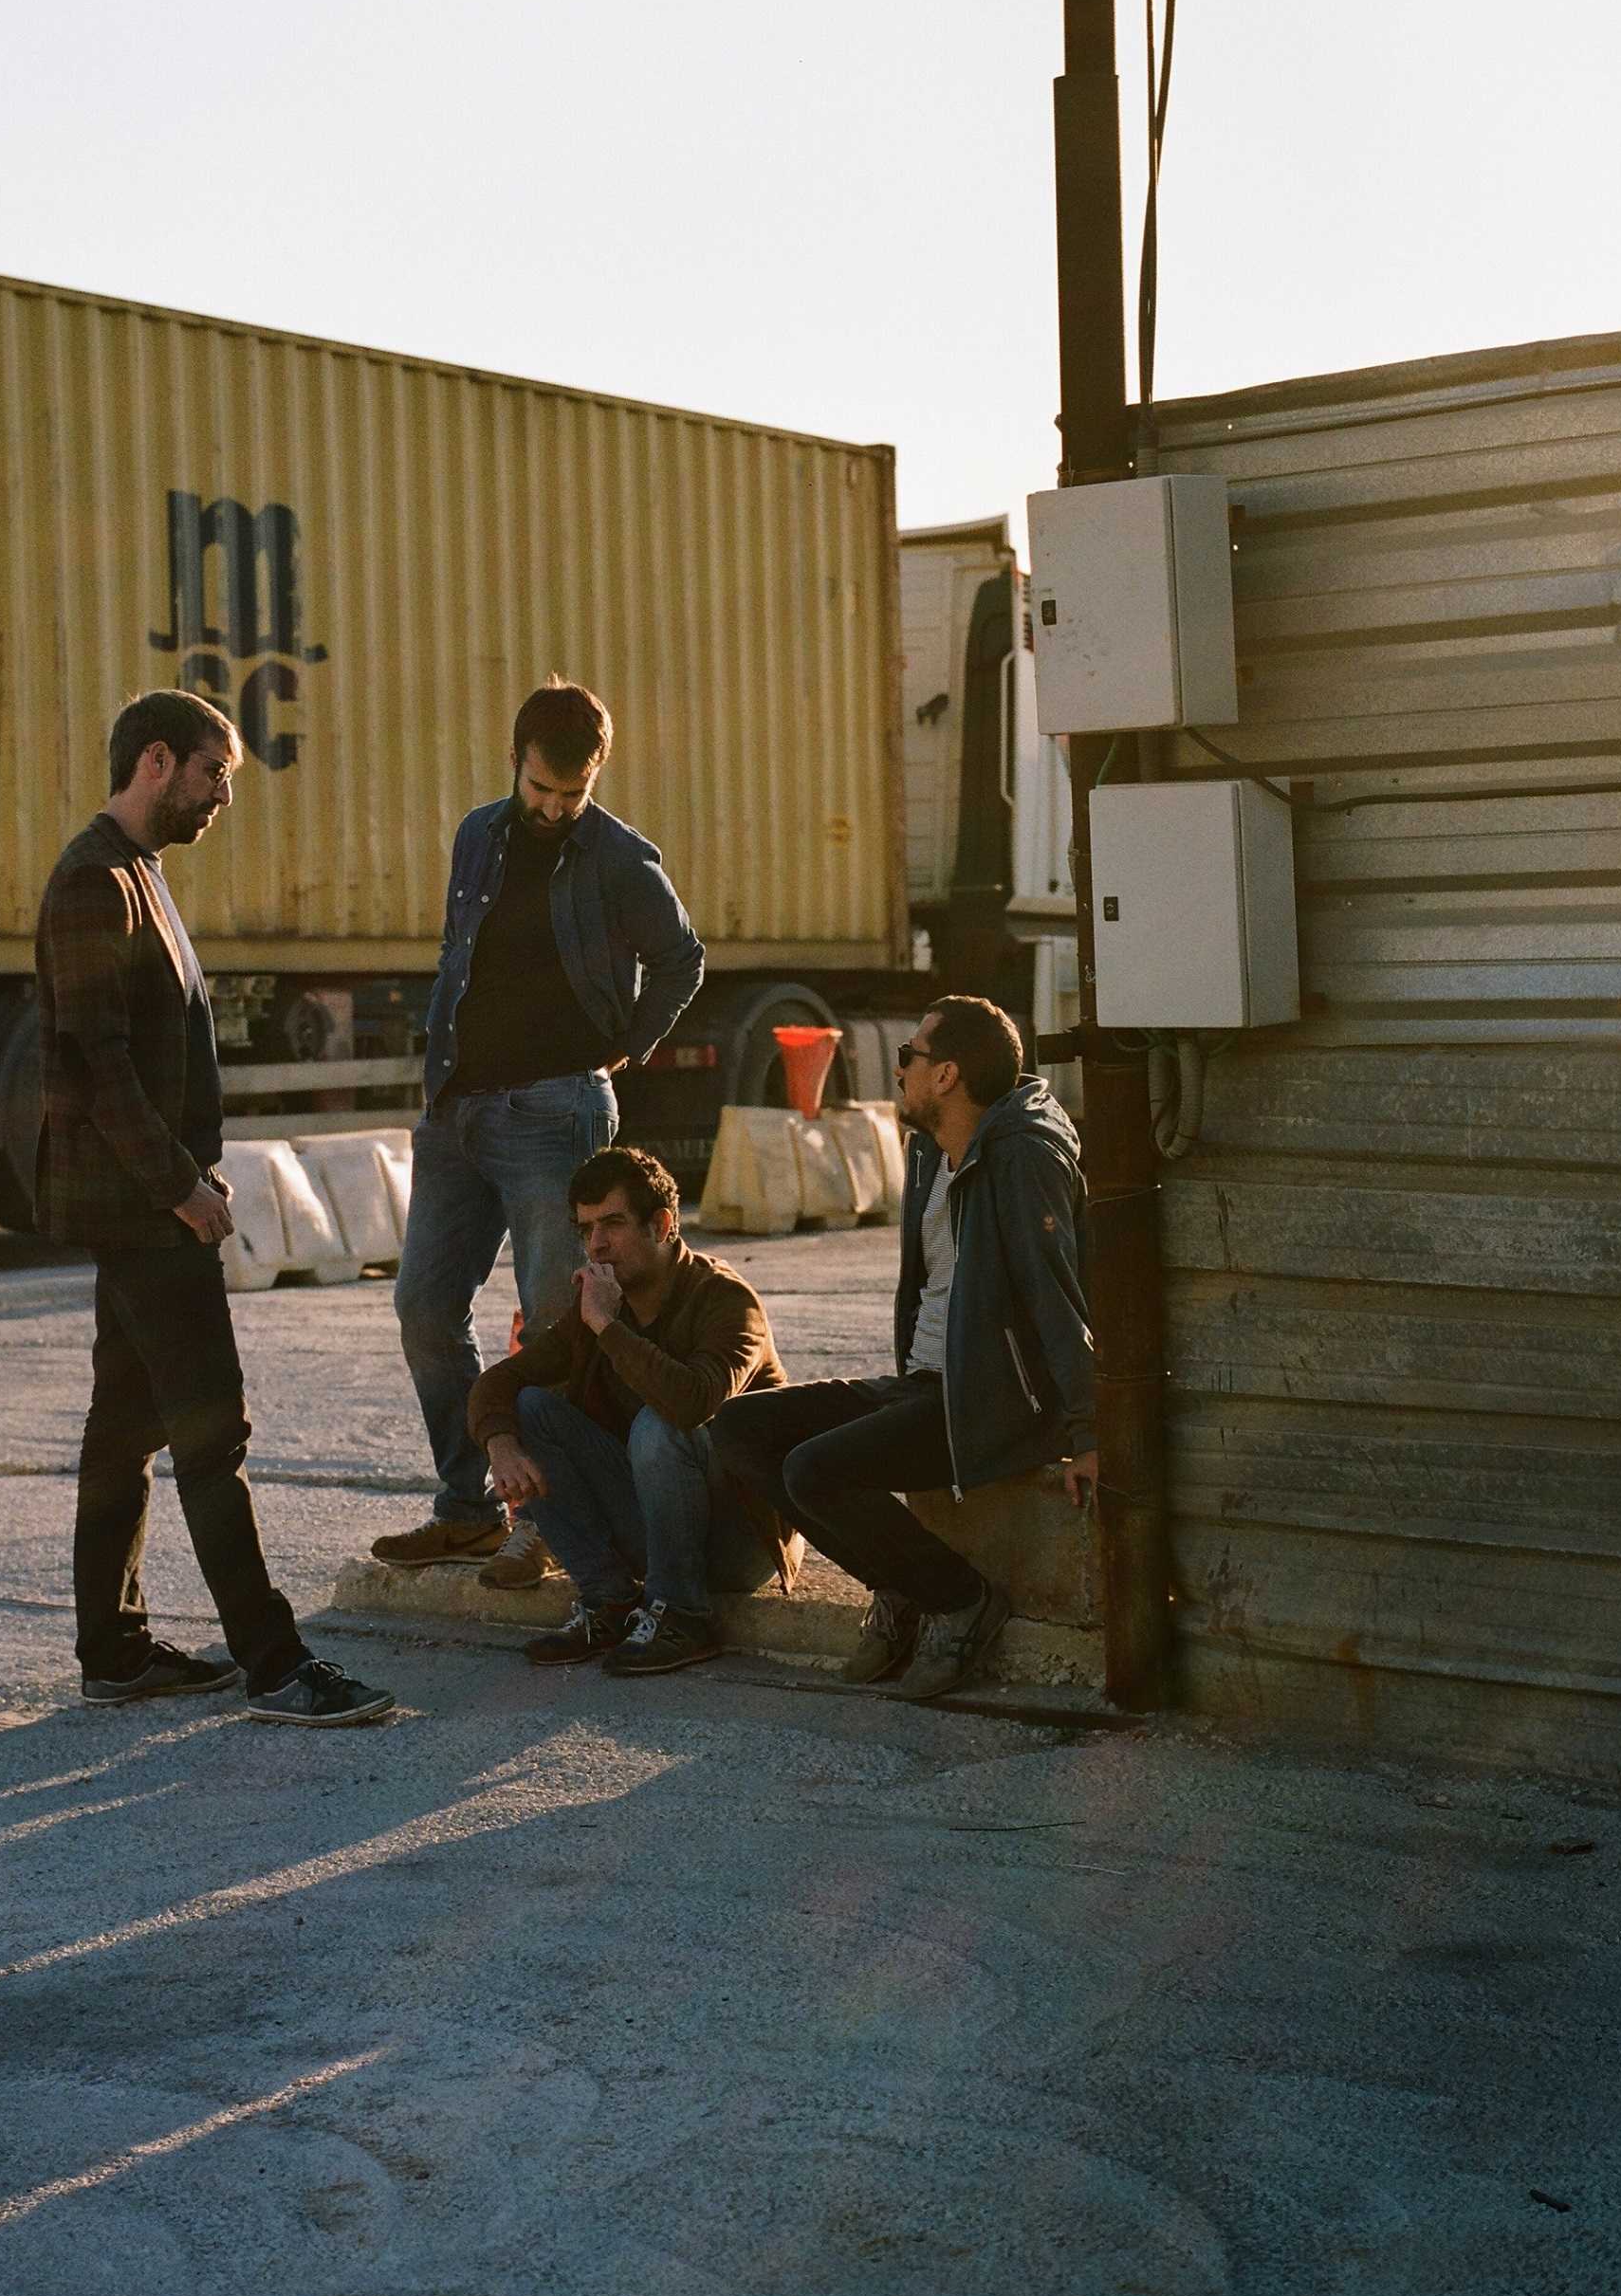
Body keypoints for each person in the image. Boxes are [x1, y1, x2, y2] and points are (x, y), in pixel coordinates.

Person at [36, 688, 394, 1728]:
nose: (223, 798)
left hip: (147, 1201)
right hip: (143, 1209)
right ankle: (275, 1665)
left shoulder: (138, 872)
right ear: (155, 761)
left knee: (125, 1427)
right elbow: (98, 1065)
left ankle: (114, 1653)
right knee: (211, 1429)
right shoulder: (93, 882)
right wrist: (179, 1187)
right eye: (213, 774)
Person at [370, 678, 707, 1590]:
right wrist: (440, 1083)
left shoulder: (622, 858)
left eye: (574, 793)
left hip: (557, 1110)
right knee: (423, 1308)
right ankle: (468, 1508)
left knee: (556, 1325)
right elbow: (458, 953)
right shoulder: (478, 834)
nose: (555, 809)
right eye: (541, 789)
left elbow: (682, 957)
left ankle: (550, 1523)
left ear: (595, 775)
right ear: (515, 761)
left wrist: (628, 1046)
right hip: (459, 1109)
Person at [709, 996, 1096, 1700]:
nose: (898, 1070)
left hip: (989, 1400)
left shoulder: (1022, 1158)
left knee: (814, 1469)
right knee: (739, 1428)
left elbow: (1056, 1296)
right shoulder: (929, 1151)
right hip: (923, 1383)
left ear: (946, 1075)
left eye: (908, 1056)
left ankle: (960, 1601)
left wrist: (1087, 1431)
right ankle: (900, 1589)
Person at [466, 1144, 800, 1676]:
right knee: (530, 1408)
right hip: (659, 1525)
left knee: (660, 1421)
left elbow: (691, 1402)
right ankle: (610, 1601)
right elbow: (498, 1383)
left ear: (661, 1224)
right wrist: (500, 1445)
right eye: (586, 1229)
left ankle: (684, 1616)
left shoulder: (727, 1300)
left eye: (613, 1225)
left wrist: (605, 1326)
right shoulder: (604, 1301)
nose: (596, 1245)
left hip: (740, 1540)